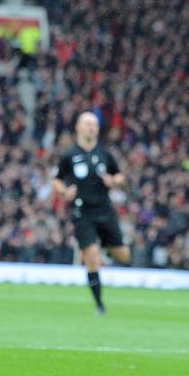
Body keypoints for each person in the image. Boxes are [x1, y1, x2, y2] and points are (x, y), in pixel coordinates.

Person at [52, 112, 130, 315]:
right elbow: (57, 179)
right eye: (87, 124)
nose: (91, 128)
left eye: (94, 125)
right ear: (78, 127)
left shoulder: (105, 153)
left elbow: (120, 175)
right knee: (92, 257)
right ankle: (100, 305)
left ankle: (104, 244)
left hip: (105, 210)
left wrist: (114, 182)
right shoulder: (69, 155)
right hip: (82, 212)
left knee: (123, 256)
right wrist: (63, 191)